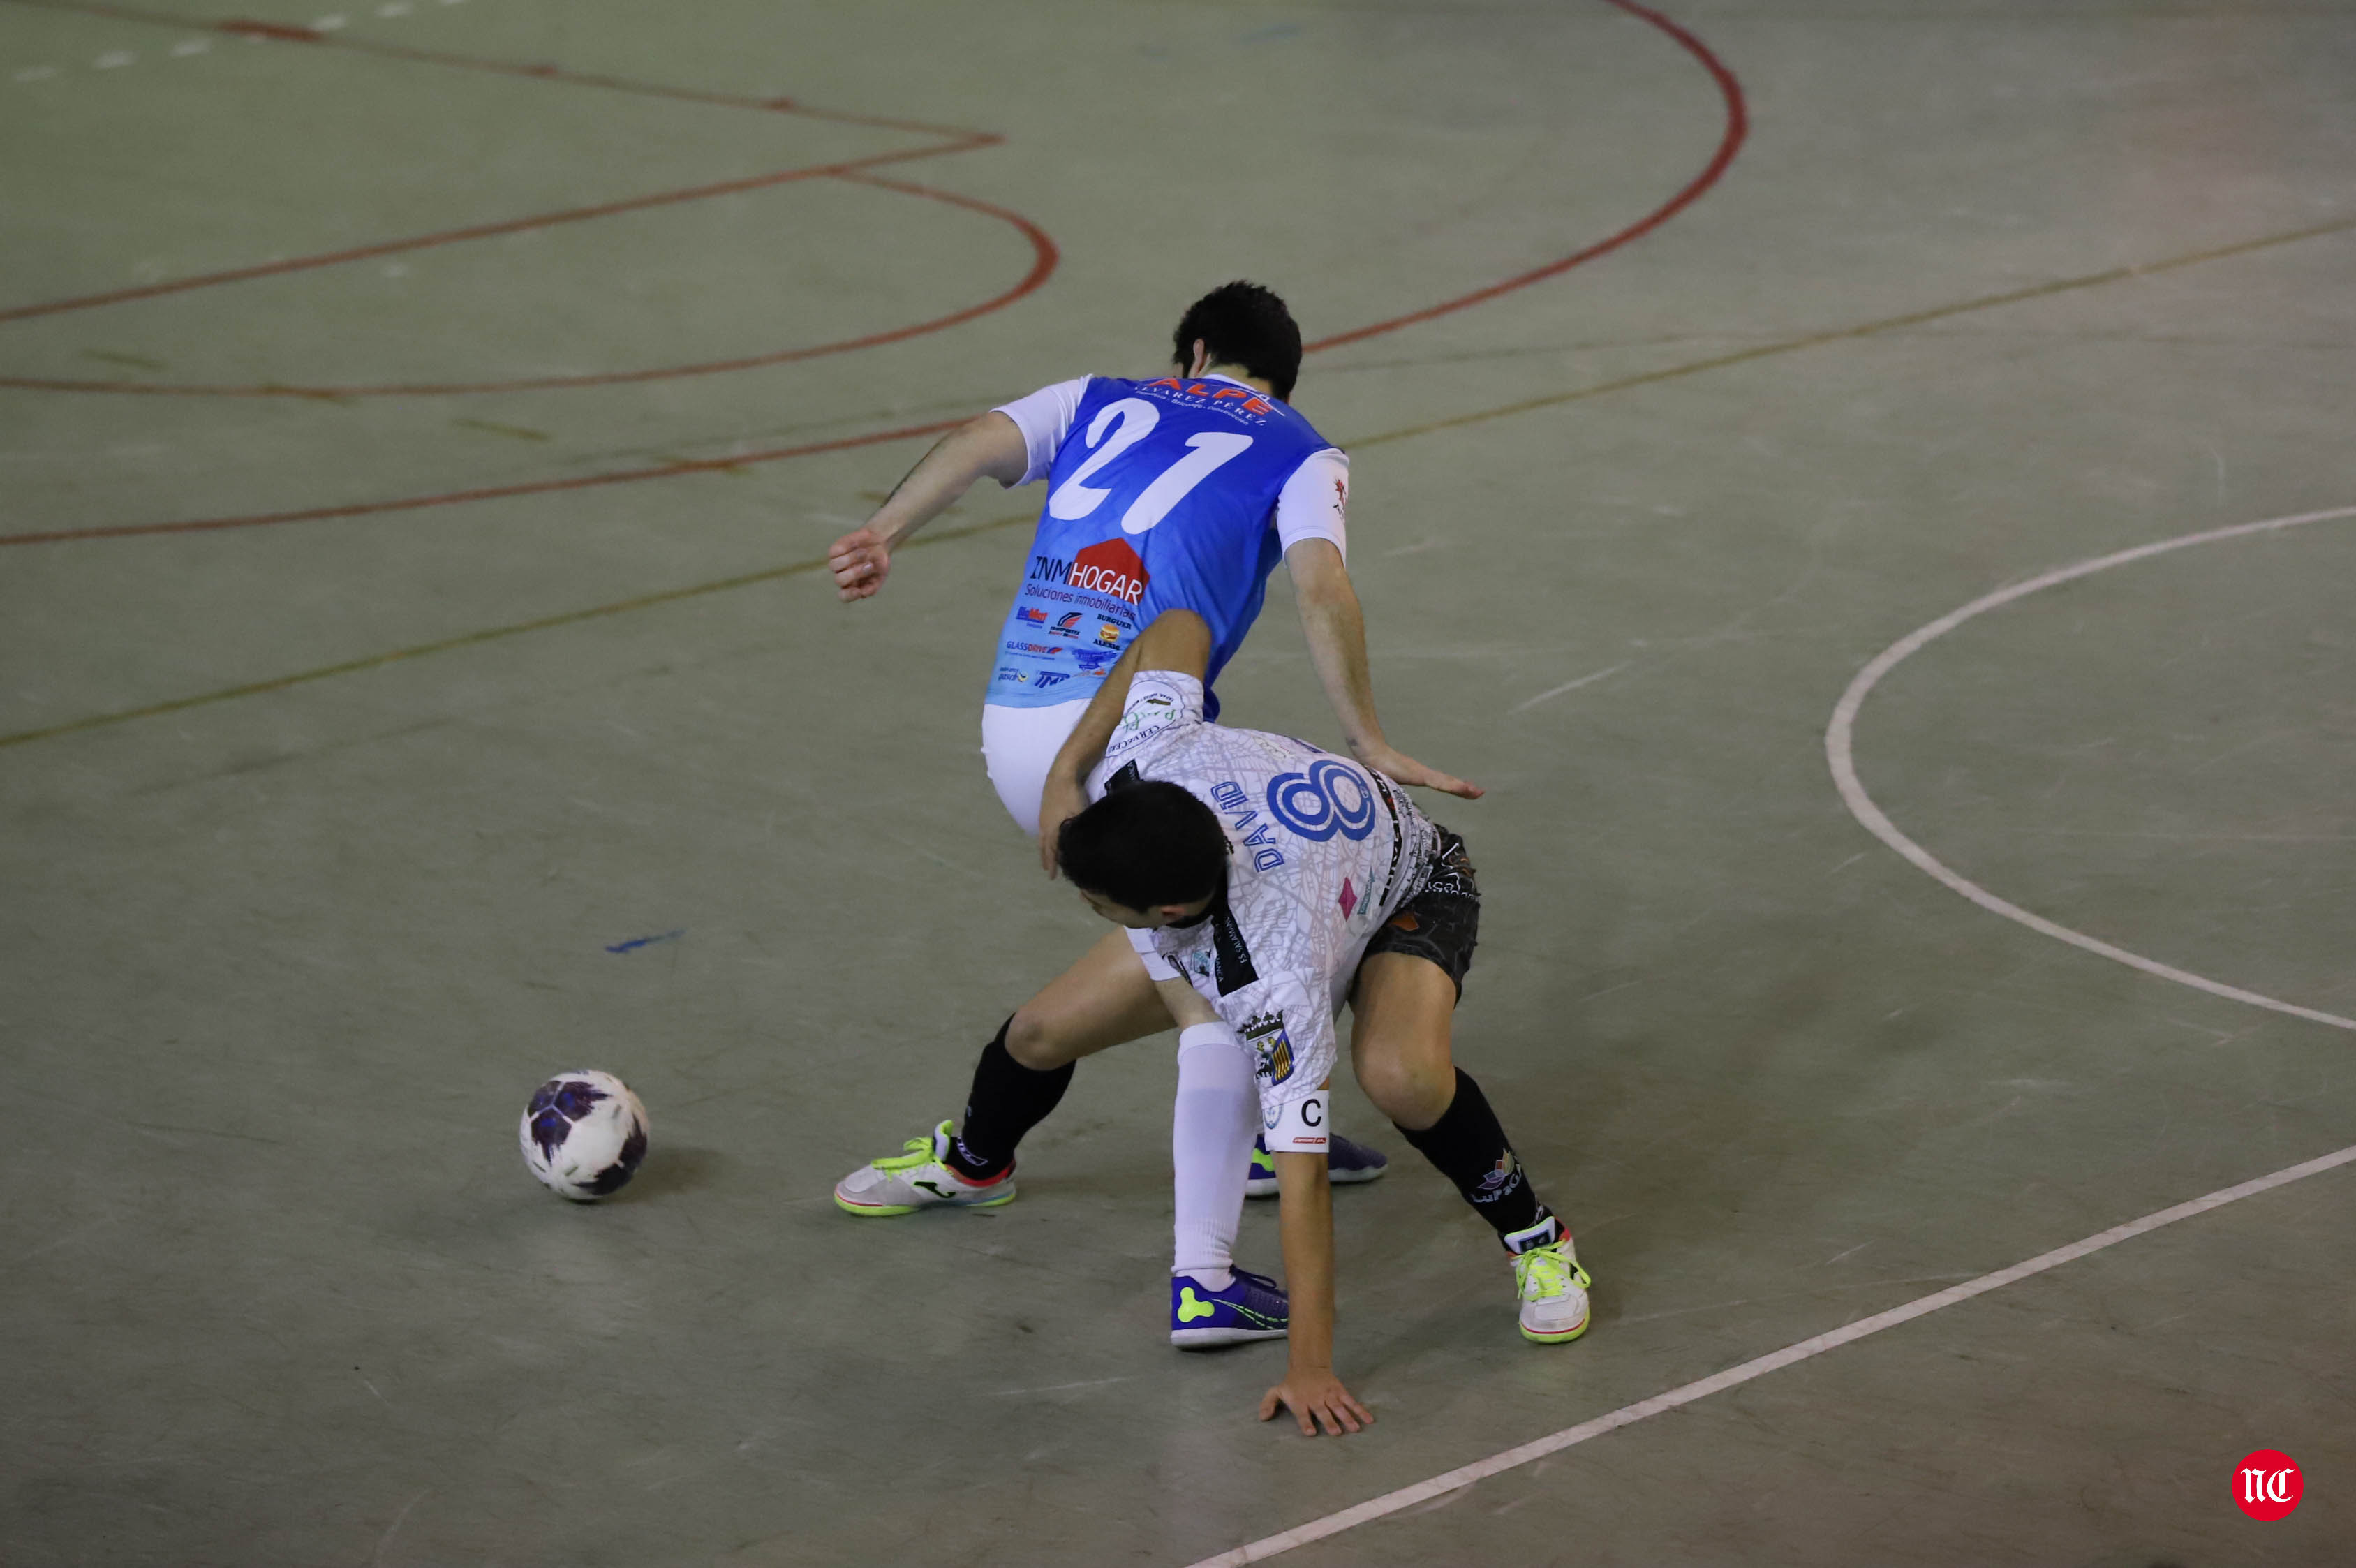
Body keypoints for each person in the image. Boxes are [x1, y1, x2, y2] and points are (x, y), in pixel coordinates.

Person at [827, 285, 1478, 1338]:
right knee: (1218, 982)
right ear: (1278, 375)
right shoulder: (1304, 451)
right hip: (1126, 736)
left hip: (1016, 725)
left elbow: (980, 441)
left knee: (1124, 997)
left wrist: (883, 527)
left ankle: (979, 1157)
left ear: (1195, 349)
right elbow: (1321, 589)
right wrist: (1366, 735)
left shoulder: (1100, 395)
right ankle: (1203, 1273)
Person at [836, 612, 1590, 1435]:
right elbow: (1176, 625)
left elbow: (1303, 1183)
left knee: (1398, 1075)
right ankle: (977, 1164)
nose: (1087, 907)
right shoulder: (1152, 754)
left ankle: (1536, 1237)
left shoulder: (1274, 981)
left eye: (1096, 903)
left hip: (1407, 887)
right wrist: (1064, 770)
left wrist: (1309, 1365)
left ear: (1162, 911)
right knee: (1039, 1033)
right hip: (1300, 872)